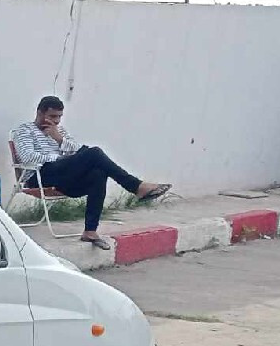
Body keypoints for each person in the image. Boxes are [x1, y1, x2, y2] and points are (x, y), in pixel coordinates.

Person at [11, 96, 171, 249]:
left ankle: (90, 231)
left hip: (63, 178)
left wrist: (59, 140)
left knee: (98, 173)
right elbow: (27, 157)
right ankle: (137, 187)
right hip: (39, 176)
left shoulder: (59, 132)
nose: (57, 121)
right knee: (93, 153)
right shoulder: (25, 130)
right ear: (40, 112)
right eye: (52, 116)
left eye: (59, 116)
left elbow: (77, 151)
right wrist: (60, 158)